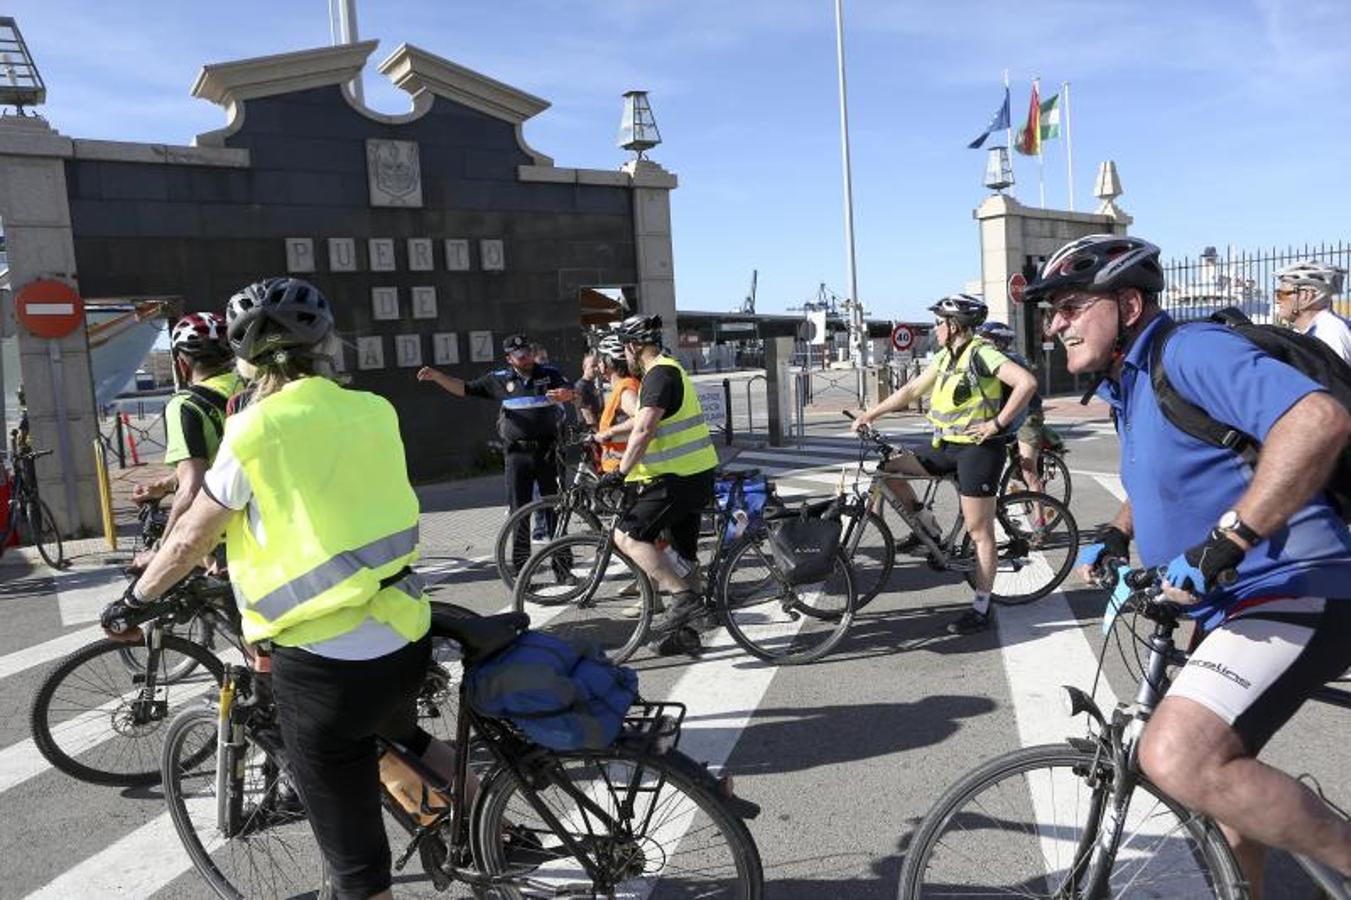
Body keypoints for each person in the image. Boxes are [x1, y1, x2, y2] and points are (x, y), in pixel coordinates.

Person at [100, 277, 458, 900]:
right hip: (404, 629)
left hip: (324, 664)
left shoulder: (255, 429)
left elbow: (189, 538)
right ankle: (493, 828)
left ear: (244, 361)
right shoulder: (375, 408)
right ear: (325, 343)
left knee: (356, 870)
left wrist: (134, 600)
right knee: (411, 740)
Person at [1034, 233, 1351, 898]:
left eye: (1067, 306)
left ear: (1126, 303)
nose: (1054, 324)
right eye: (1049, 312)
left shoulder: (1189, 350)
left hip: (1294, 583)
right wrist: (1118, 534)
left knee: (1177, 753)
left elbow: (1316, 420)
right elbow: (1169, 474)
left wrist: (1228, 539)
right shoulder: (1129, 380)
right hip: (1233, 599)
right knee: (1217, 787)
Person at [850, 294, 1037, 635]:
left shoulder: (982, 353)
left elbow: (1027, 383)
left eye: (939, 322)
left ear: (954, 326)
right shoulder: (945, 357)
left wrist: (996, 425)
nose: (935, 328)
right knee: (889, 469)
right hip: (948, 447)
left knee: (979, 531)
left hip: (979, 451)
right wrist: (870, 414)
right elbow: (910, 390)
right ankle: (930, 531)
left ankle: (981, 609)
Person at [597, 313, 718, 653]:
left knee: (627, 535)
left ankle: (683, 601)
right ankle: (686, 634)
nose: (625, 357)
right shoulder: (668, 369)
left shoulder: (659, 374)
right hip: (692, 474)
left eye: (626, 349)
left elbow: (644, 428)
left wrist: (620, 472)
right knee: (683, 556)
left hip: (678, 478)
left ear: (633, 346)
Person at [416, 334, 574, 575]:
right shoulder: (499, 380)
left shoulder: (549, 373)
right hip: (516, 455)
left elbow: (572, 392)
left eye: (528, 353)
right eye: (521, 356)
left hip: (548, 451)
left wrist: (566, 395)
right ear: (509, 358)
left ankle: (563, 568)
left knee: (555, 508)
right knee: (519, 512)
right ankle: (523, 570)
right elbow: (465, 388)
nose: (527, 358)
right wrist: (437, 376)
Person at [130, 312, 241, 568]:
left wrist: (161, 550)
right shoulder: (257, 388)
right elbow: (227, 460)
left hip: (225, 538)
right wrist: (166, 484)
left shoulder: (186, 405)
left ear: (182, 363)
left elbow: (192, 490)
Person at [977, 320, 1051, 498]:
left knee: (1028, 469)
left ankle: (1040, 517)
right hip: (1006, 417)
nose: (982, 343)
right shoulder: (988, 360)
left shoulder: (1014, 360)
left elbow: (1026, 385)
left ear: (1001, 342)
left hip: (1027, 415)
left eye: (987, 340)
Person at [1272, 259, 1351, 363]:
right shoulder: (1314, 330)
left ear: (1306, 296)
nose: (1277, 300)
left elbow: (1334, 378)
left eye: (1281, 294)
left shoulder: (1330, 333)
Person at [591, 334, 640, 473]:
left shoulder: (626, 389)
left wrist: (609, 433)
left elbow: (641, 419)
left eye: (600, 360)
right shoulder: (624, 386)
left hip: (624, 470)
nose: (598, 365)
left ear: (608, 363)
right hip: (620, 466)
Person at [574, 351, 603, 428]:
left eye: (597, 366)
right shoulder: (580, 386)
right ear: (584, 367)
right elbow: (586, 413)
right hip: (589, 430)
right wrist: (598, 432)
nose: (597, 369)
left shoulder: (591, 384)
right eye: (593, 366)